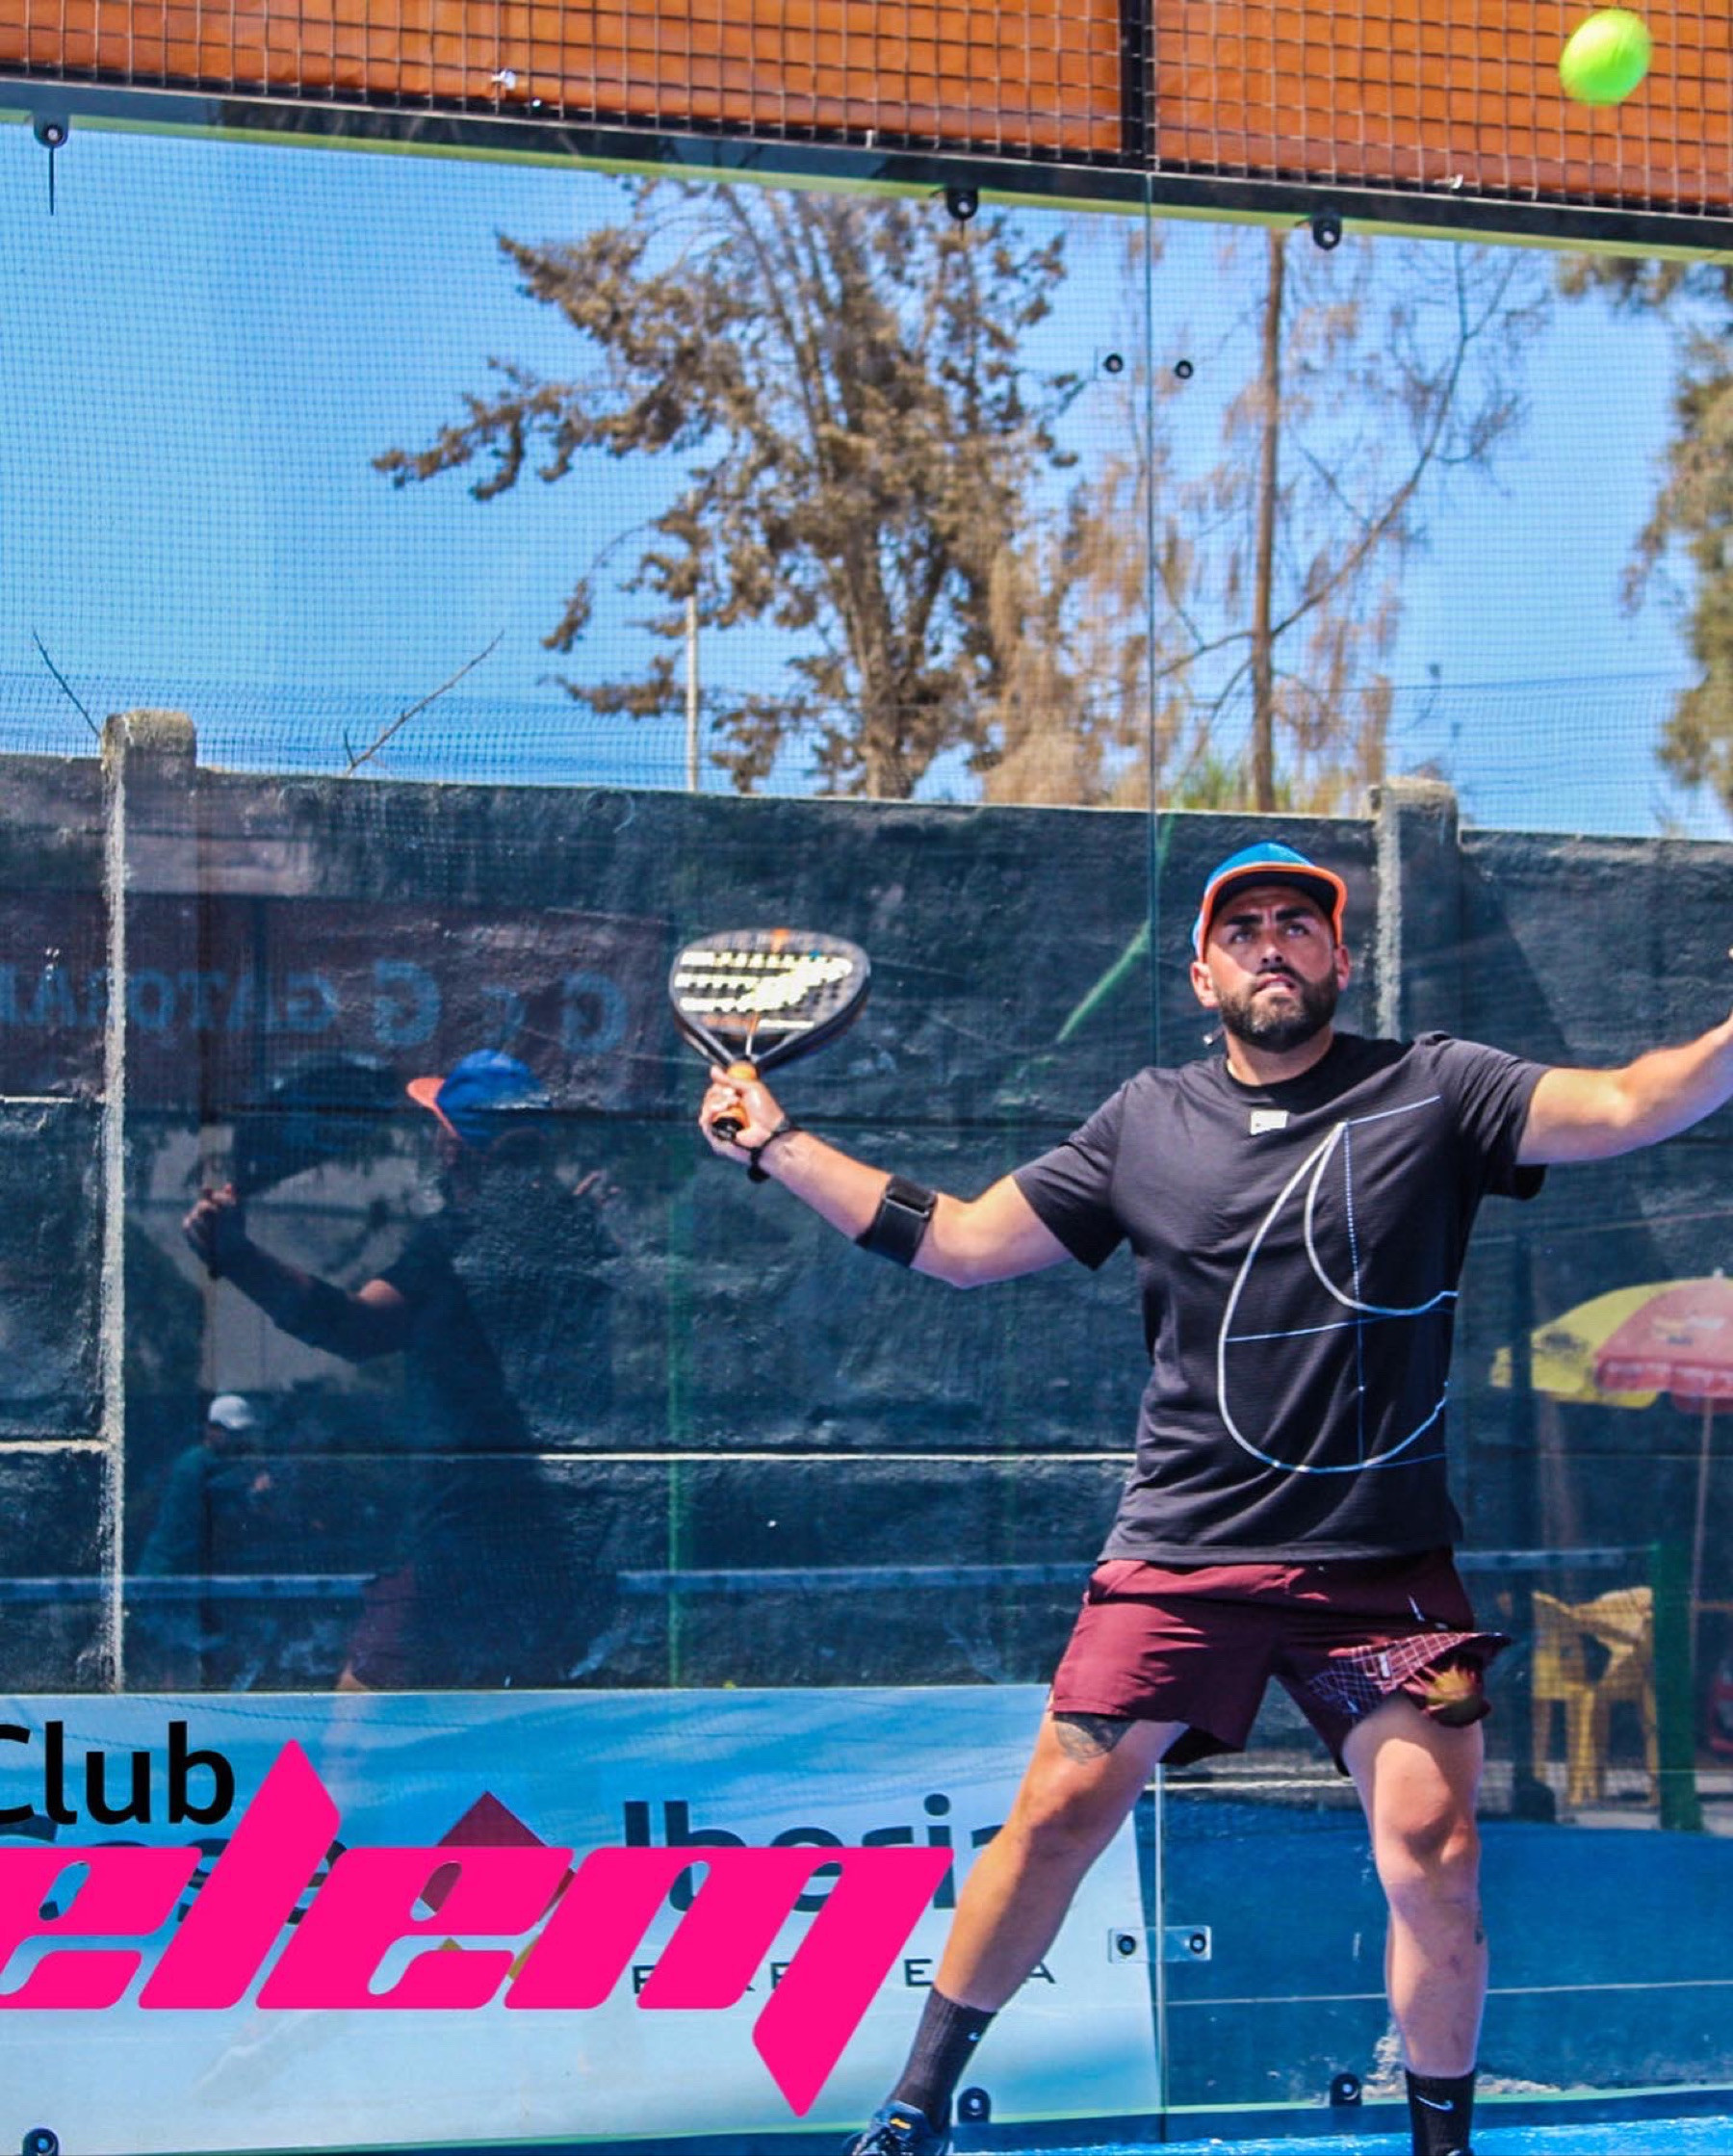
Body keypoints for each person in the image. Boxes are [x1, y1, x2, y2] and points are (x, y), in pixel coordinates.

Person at [696, 841, 1733, 2156]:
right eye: (1242, 928)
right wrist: (778, 1143)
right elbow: (959, 1241)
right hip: (1186, 1551)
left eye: (1299, 921)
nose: (1271, 942)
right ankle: (911, 2112)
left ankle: (1443, 2144)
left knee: (1437, 1849)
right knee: (1059, 1813)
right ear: (1203, 976)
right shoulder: (1144, 1119)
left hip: (1383, 1568)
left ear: (1340, 958)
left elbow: (1634, 1101)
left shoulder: (1440, 1088)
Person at [183, 1050, 617, 1690]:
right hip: (554, 1539)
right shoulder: (574, 1235)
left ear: (451, 1149)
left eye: (438, 1125)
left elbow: (355, 1328)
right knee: (522, 1719)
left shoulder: (455, 1246)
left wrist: (239, 1258)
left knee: (359, 1711)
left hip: (461, 1537)